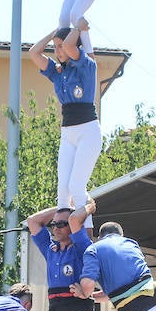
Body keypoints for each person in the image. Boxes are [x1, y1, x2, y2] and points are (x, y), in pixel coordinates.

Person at [29, 29, 103, 218]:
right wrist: (54, 32)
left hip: (87, 130)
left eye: (60, 46)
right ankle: (63, 234)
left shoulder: (87, 66)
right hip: (68, 132)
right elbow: (34, 53)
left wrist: (78, 27)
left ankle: (85, 235)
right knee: (63, 190)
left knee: (76, 186)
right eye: (55, 47)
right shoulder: (58, 72)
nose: (58, 51)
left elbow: (71, 46)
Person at [26, 201, 97, 311]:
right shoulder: (50, 249)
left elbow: (75, 220)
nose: (55, 228)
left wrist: (88, 207)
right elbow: (33, 221)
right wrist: (60, 206)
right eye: (53, 224)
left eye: (61, 224)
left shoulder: (81, 248)